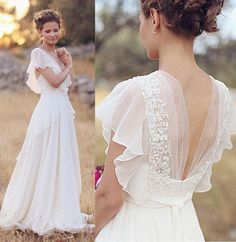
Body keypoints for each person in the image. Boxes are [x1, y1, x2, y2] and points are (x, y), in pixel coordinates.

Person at [95, 0, 236, 241]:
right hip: (185, 228)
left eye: (140, 21)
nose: (140, 30)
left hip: (134, 230)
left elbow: (110, 196)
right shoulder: (221, 96)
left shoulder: (139, 92)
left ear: (154, 18)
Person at [0, 9, 88, 235]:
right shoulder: (38, 55)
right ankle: (39, 209)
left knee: (61, 156)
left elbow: (71, 82)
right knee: (44, 156)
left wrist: (67, 61)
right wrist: (68, 64)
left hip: (63, 111)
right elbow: (56, 81)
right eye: (47, 31)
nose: (52, 34)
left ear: (61, 30)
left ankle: (61, 206)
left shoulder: (58, 55)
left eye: (56, 30)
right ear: (39, 32)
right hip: (49, 110)